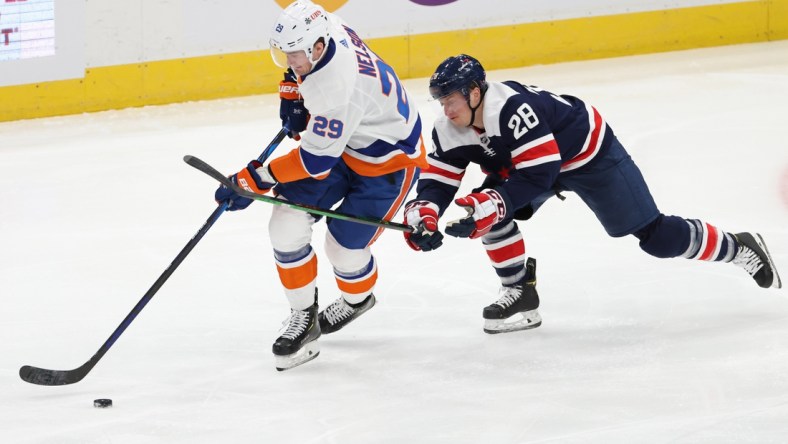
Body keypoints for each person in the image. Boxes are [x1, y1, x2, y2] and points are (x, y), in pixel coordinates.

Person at [403, 54, 782, 334]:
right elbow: (438, 180)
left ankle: (740, 246)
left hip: (589, 154)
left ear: (474, 92)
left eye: (451, 98)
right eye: (441, 100)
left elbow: (540, 173)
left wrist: (493, 201)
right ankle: (519, 292)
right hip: (530, 164)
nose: (446, 109)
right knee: (486, 215)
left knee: (656, 237)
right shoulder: (447, 128)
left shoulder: (513, 110)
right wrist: (425, 211)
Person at [214, 0, 427, 370]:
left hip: (387, 161)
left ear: (316, 47)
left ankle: (358, 300)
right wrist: (292, 92)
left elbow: (313, 162)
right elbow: (304, 87)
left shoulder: (336, 89)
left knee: (343, 251)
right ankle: (304, 317)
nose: (289, 62)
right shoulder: (326, 26)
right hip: (346, 139)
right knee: (284, 223)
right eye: (284, 55)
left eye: (295, 56)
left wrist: (254, 178)